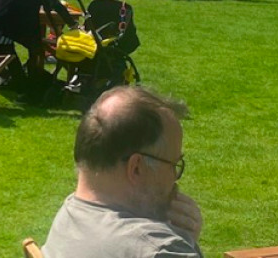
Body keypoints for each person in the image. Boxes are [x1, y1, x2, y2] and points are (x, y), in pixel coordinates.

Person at [42, 86, 203, 258]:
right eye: (173, 165)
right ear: (136, 168)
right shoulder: (158, 249)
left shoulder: (69, 216)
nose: (174, 179)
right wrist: (185, 244)